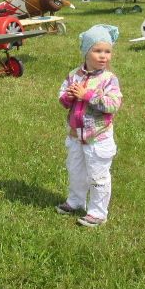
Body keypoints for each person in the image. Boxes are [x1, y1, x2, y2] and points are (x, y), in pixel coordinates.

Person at [56, 24, 122, 227]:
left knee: (97, 175)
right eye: (98, 50)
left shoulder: (108, 79)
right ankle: (75, 201)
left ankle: (98, 212)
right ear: (86, 52)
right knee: (75, 170)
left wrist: (88, 96)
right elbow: (62, 98)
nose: (104, 56)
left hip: (98, 138)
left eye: (108, 51)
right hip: (76, 136)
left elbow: (113, 104)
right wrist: (68, 97)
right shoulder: (74, 75)